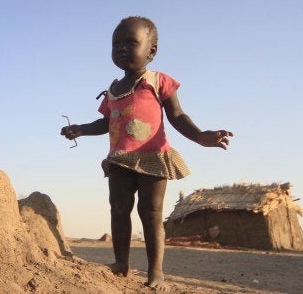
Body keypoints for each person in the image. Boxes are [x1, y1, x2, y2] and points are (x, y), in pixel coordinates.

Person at [60, 16, 233, 290]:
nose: (121, 48)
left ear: (151, 51)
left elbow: (177, 115)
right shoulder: (112, 91)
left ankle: (156, 272)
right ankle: (121, 264)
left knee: (150, 212)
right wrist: (80, 128)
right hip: (119, 159)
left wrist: (201, 136)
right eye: (116, 44)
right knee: (118, 209)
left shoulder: (158, 81)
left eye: (131, 42)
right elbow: (106, 123)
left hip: (152, 157)